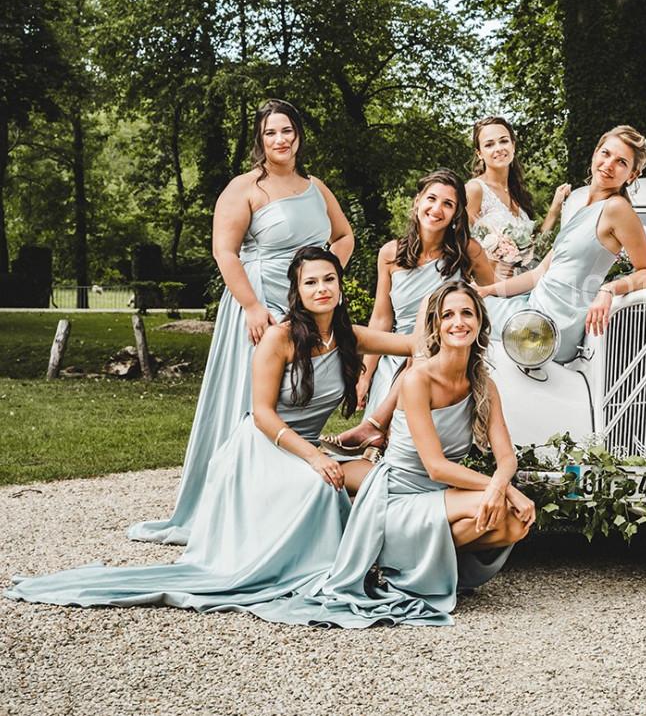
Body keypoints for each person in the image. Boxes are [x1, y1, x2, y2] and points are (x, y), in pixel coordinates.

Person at [5, 248, 416, 614]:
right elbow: (261, 414)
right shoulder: (280, 338)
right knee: (323, 485)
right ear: (298, 291)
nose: (322, 288)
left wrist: (380, 418)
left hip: (308, 446)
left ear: (340, 287)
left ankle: (391, 563)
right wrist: (313, 456)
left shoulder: (349, 337)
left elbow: (419, 347)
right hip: (263, 447)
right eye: (311, 281)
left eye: (329, 279)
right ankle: (317, 570)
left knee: (382, 478)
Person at [128, 99, 354, 545]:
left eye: (287, 130)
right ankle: (225, 505)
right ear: (260, 139)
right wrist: (251, 306)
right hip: (261, 304)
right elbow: (224, 251)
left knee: (294, 395)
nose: (280, 140)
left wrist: (325, 273)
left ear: (299, 135)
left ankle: (282, 493)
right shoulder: (245, 187)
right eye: (271, 133)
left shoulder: (316, 188)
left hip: (305, 306)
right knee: (247, 400)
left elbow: (343, 236)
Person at [257, 281, 536, 627]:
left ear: (480, 322)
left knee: (513, 525)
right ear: (436, 325)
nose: (458, 322)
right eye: (447, 315)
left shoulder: (483, 383)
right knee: (499, 508)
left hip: (439, 495)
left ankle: (410, 564)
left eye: (467, 313)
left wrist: (502, 481)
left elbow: (506, 457)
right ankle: (392, 556)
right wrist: (501, 489)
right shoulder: (417, 380)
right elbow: (435, 467)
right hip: (398, 495)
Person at [320, 170, 494, 457]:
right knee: (412, 353)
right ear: (417, 202)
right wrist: (366, 374)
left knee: (423, 350)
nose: (437, 209)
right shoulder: (390, 253)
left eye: (448, 204)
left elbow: (493, 295)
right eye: (432, 199)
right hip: (396, 353)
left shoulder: (468, 251)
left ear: (456, 214)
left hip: (446, 350)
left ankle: (376, 426)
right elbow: (381, 318)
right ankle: (375, 435)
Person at [478, 125, 646, 362]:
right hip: (533, 304)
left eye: (621, 162)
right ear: (595, 153)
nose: (609, 165)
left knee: (461, 317)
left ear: (632, 175)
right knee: (464, 306)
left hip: (555, 323)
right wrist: (488, 290)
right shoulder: (576, 200)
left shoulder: (617, 209)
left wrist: (608, 289)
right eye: (605, 154)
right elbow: (540, 273)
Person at [466, 116, 571, 279]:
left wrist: (554, 209)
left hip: (523, 280)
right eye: (489, 144)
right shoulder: (475, 189)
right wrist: (490, 265)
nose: (499, 148)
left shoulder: (516, 192)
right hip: (491, 285)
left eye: (504, 141)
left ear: (513, 146)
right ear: (479, 153)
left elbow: (533, 251)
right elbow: (459, 242)